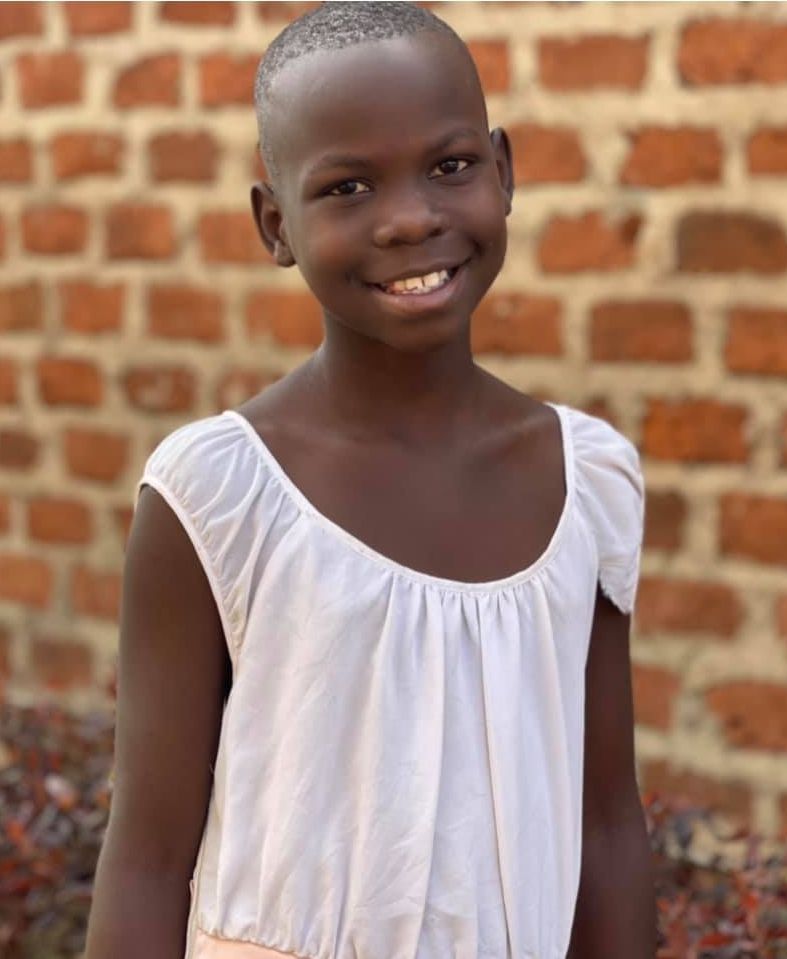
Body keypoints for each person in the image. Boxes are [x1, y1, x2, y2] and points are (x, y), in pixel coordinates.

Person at [84, 3, 657, 958]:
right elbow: (146, 855)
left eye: (451, 166)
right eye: (347, 187)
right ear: (275, 224)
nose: (409, 218)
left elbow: (604, 823)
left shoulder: (586, 481)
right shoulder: (218, 497)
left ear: (504, 171)